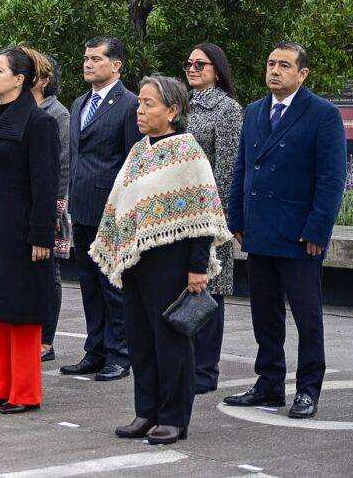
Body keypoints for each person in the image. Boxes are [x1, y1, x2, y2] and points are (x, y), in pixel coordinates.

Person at [92, 75, 231, 445]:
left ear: (173, 111)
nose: (140, 110)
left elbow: (203, 216)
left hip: (173, 261)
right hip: (138, 261)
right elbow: (123, 204)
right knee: (140, 339)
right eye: (139, 102)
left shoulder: (188, 151)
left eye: (149, 104)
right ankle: (146, 411)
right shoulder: (140, 151)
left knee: (171, 342)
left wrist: (198, 268)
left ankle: (174, 418)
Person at [224, 43, 347, 419]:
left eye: (284, 65)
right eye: (271, 64)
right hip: (259, 230)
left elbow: (331, 178)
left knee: (307, 318)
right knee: (265, 313)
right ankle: (269, 383)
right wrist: (237, 219)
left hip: (300, 236)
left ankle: (308, 390)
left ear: (302, 74)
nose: (274, 70)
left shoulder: (322, 114)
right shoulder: (255, 110)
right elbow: (242, 168)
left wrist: (317, 230)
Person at [0, 48, 60, 414]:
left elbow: (46, 184)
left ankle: (24, 392)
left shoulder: (39, 123)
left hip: (20, 232)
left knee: (21, 311)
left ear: (19, 79)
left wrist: (40, 234)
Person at [61, 36, 142, 382]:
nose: (88, 63)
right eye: (86, 58)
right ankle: (94, 350)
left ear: (116, 65)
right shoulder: (80, 102)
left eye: (96, 58)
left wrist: (124, 209)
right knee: (89, 284)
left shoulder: (128, 104)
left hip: (111, 210)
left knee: (113, 286)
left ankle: (120, 354)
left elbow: (132, 160)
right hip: (80, 206)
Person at [183, 42, 243, 394]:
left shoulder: (227, 109)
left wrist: (212, 218)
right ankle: (185, 365)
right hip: (176, 215)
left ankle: (205, 371)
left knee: (209, 291)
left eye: (200, 64)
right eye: (189, 63)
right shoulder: (181, 103)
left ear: (216, 69)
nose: (192, 69)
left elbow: (228, 167)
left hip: (209, 217)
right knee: (181, 291)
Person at [22, 48, 70, 362]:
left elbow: (62, 165)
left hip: (49, 207)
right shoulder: (15, 109)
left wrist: (54, 209)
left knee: (49, 272)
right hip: (20, 205)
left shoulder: (57, 113)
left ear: (43, 78)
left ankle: (46, 340)